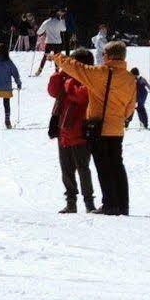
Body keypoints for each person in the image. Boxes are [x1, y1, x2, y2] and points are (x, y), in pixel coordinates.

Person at [46, 42, 138, 216]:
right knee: (117, 165)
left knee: (103, 167)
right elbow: (130, 107)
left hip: (99, 127)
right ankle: (122, 204)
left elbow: (77, 68)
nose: (102, 57)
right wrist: (119, 118)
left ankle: (110, 204)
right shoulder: (128, 78)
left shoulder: (101, 74)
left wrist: (57, 57)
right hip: (117, 129)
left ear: (109, 56)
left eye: (103, 54)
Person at [48, 52, 96, 213]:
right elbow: (53, 90)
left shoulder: (89, 81)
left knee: (83, 168)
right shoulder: (65, 78)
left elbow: (81, 96)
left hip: (81, 132)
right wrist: (61, 72)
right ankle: (71, 202)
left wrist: (69, 82)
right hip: (64, 131)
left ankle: (89, 203)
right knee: (66, 170)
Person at [34, 9, 68, 73]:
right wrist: (62, 21)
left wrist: (39, 33)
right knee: (57, 57)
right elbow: (64, 29)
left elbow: (39, 32)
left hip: (49, 41)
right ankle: (57, 71)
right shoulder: (59, 22)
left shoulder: (46, 22)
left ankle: (40, 69)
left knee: (45, 56)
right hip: (57, 42)